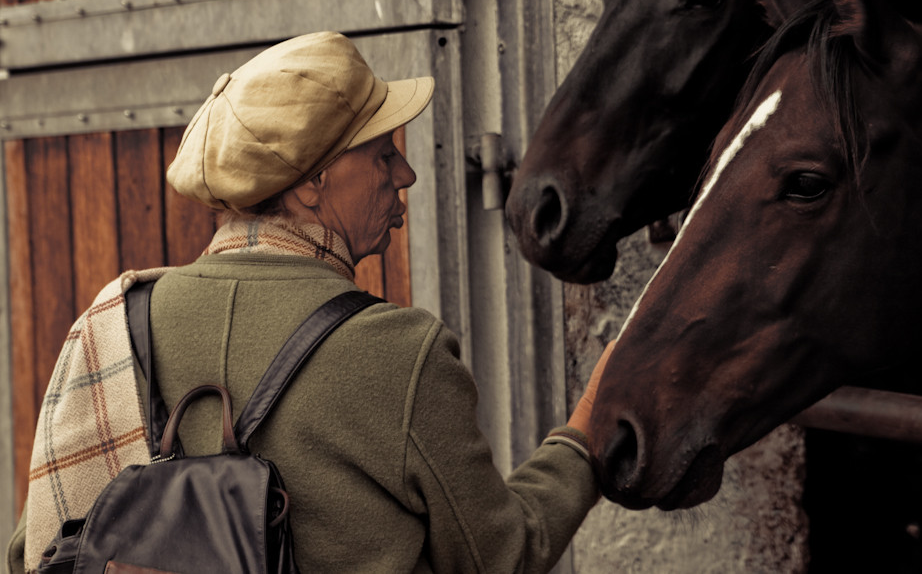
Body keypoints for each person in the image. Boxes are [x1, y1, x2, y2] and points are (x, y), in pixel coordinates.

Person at [7, 32, 612, 573]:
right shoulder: (402, 353)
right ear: (312, 183)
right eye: (382, 153)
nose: (405, 174)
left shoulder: (110, 327)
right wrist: (582, 438)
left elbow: (34, 549)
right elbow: (500, 557)